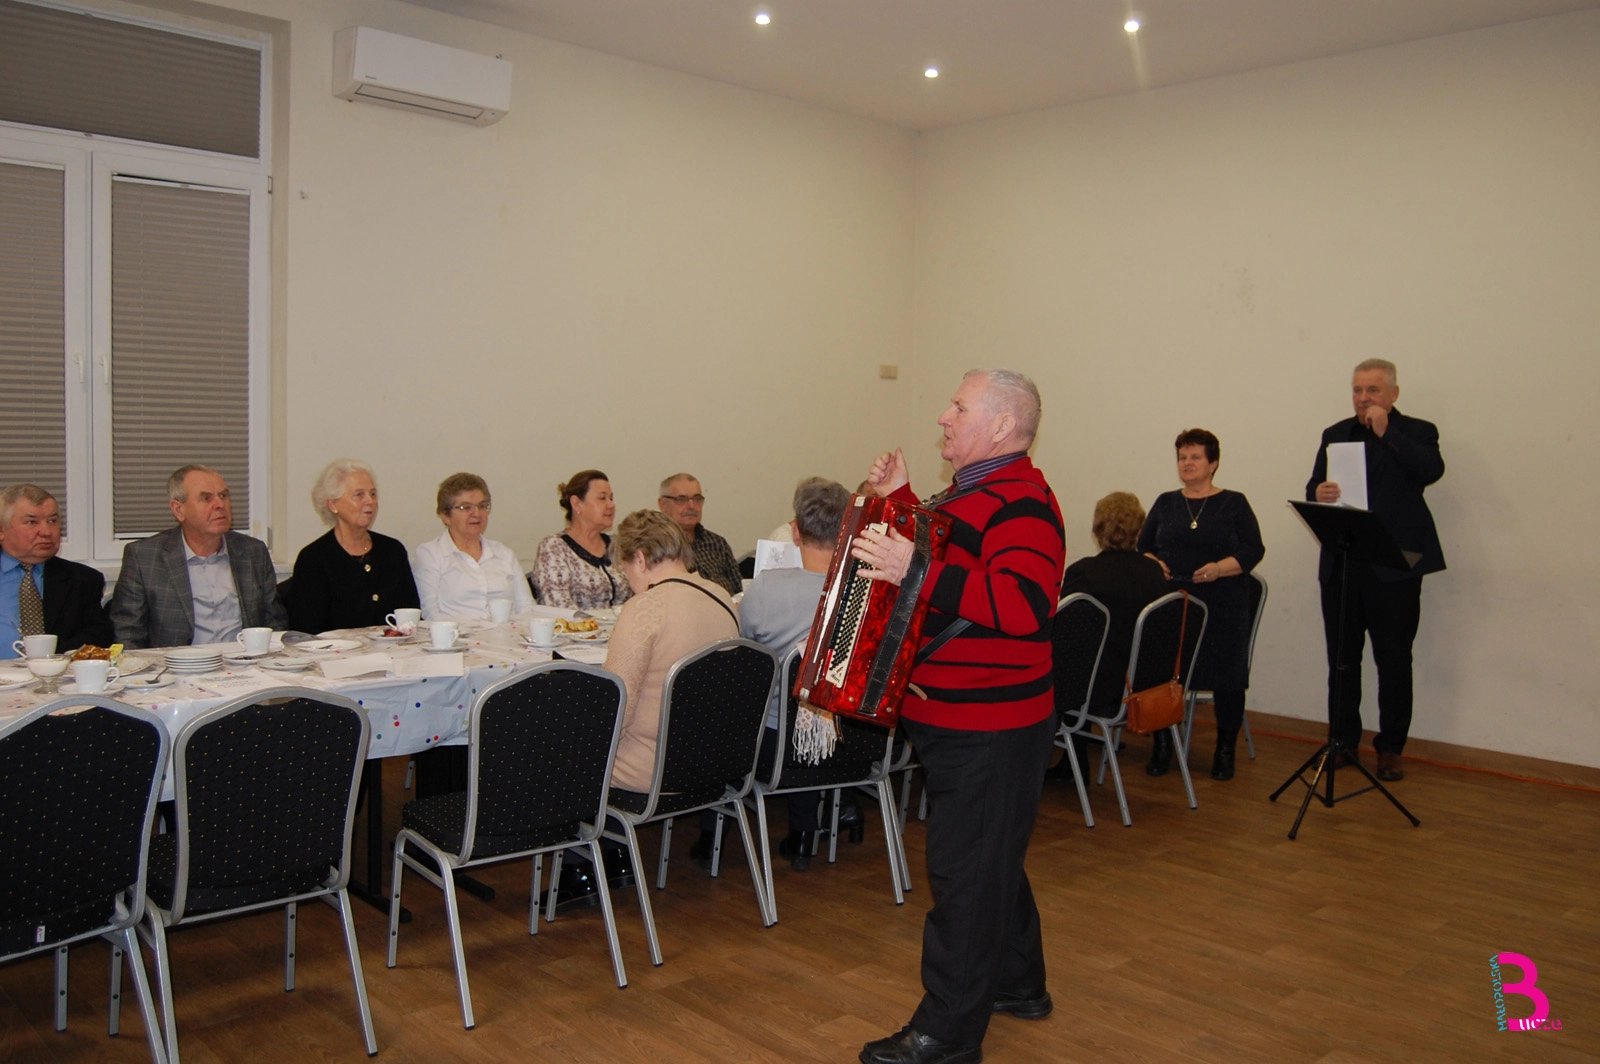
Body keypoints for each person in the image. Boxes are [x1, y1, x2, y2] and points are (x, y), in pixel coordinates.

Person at [850, 369, 1065, 1064]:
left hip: (991, 724)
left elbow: (1024, 605)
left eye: (959, 406)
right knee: (988, 855)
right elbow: (950, 551)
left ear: (1001, 426)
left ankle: (946, 1035)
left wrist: (912, 566)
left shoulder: (1022, 501)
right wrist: (901, 501)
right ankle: (1018, 984)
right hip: (964, 717)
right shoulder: (977, 491)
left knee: (966, 875)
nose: (943, 416)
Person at [555, 509, 739, 910]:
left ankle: (577, 872)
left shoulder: (645, 609)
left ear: (639, 558)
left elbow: (616, 703)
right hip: (715, 762)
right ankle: (616, 855)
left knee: (565, 740)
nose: (628, 581)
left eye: (625, 570)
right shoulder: (722, 597)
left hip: (654, 770)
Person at [698, 476, 850, 871]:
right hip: (852, 737)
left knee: (737, 714)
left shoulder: (768, 588)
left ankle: (711, 838)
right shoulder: (863, 589)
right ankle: (803, 833)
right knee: (806, 702)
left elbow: (741, 654)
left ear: (795, 532)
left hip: (779, 744)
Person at [1306, 358, 1444, 782]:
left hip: (1395, 569)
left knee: (1394, 661)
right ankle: (1342, 742)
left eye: (1372, 390)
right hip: (1344, 565)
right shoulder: (1335, 434)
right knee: (1342, 661)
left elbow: (1431, 471)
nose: (1363, 398)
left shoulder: (1418, 431)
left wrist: (1387, 433)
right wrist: (1319, 492)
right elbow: (1313, 488)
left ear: (1393, 394)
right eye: (1357, 390)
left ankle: (1390, 749)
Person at [1137, 429, 1265, 781]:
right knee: (1160, 671)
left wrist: (1219, 569)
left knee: (1228, 676)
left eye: (1195, 457)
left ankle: (1225, 750)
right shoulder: (1166, 502)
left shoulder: (1234, 503)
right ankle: (1162, 744)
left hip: (1223, 605)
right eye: (1182, 457)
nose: (1187, 463)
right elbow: (1143, 547)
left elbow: (1253, 550)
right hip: (1173, 603)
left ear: (1213, 463)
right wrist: (1154, 564)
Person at [109, 465, 286, 649]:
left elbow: (274, 624)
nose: (220, 504)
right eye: (206, 498)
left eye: (223, 495)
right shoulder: (144, 558)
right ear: (179, 510)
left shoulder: (253, 552)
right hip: (177, 663)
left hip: (245, 661)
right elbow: (128, 634)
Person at [1058, 491, 1170, 718]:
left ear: (1097, 530)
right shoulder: (1154, 572)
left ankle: (1073, 737)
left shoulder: (1083, 573)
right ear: (1139, 531)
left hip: (1096, 690)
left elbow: (1065, 637)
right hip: (1146, 686)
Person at [288, 459, 420, 633]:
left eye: (373, 494)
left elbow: (411, 614)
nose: (370, 501)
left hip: (395, 648)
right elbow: (307, 631)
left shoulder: (393, 551)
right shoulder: (313, 559)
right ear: (333, 505)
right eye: (359, 495)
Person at [0, 484, 113, 657]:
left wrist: (50, 661)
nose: (46, 532)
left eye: (52, 521)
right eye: (31, 522)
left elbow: (97, 635)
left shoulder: (82, 580)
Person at [413, 472, 534, 621]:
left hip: (508, 633)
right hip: (457, 634)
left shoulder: (504, 554)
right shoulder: (431, 554)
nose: (477, 513)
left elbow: (526, 606)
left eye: (482, 506)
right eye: (466, 507)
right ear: (445, 516)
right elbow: (430, 612)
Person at [532, 469, 632, 610]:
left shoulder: (619, 546)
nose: (611, 505)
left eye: (611, 498)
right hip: (578, 624)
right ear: (577, 504)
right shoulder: (554, 547)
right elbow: (557, 605)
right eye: (602, 498)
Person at [657, 473, 743, 596]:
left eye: (697, 499)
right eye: (682, 499)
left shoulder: (717, 543)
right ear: (663, 504)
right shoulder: (654, 546)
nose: (692, 506)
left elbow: (740, 591)